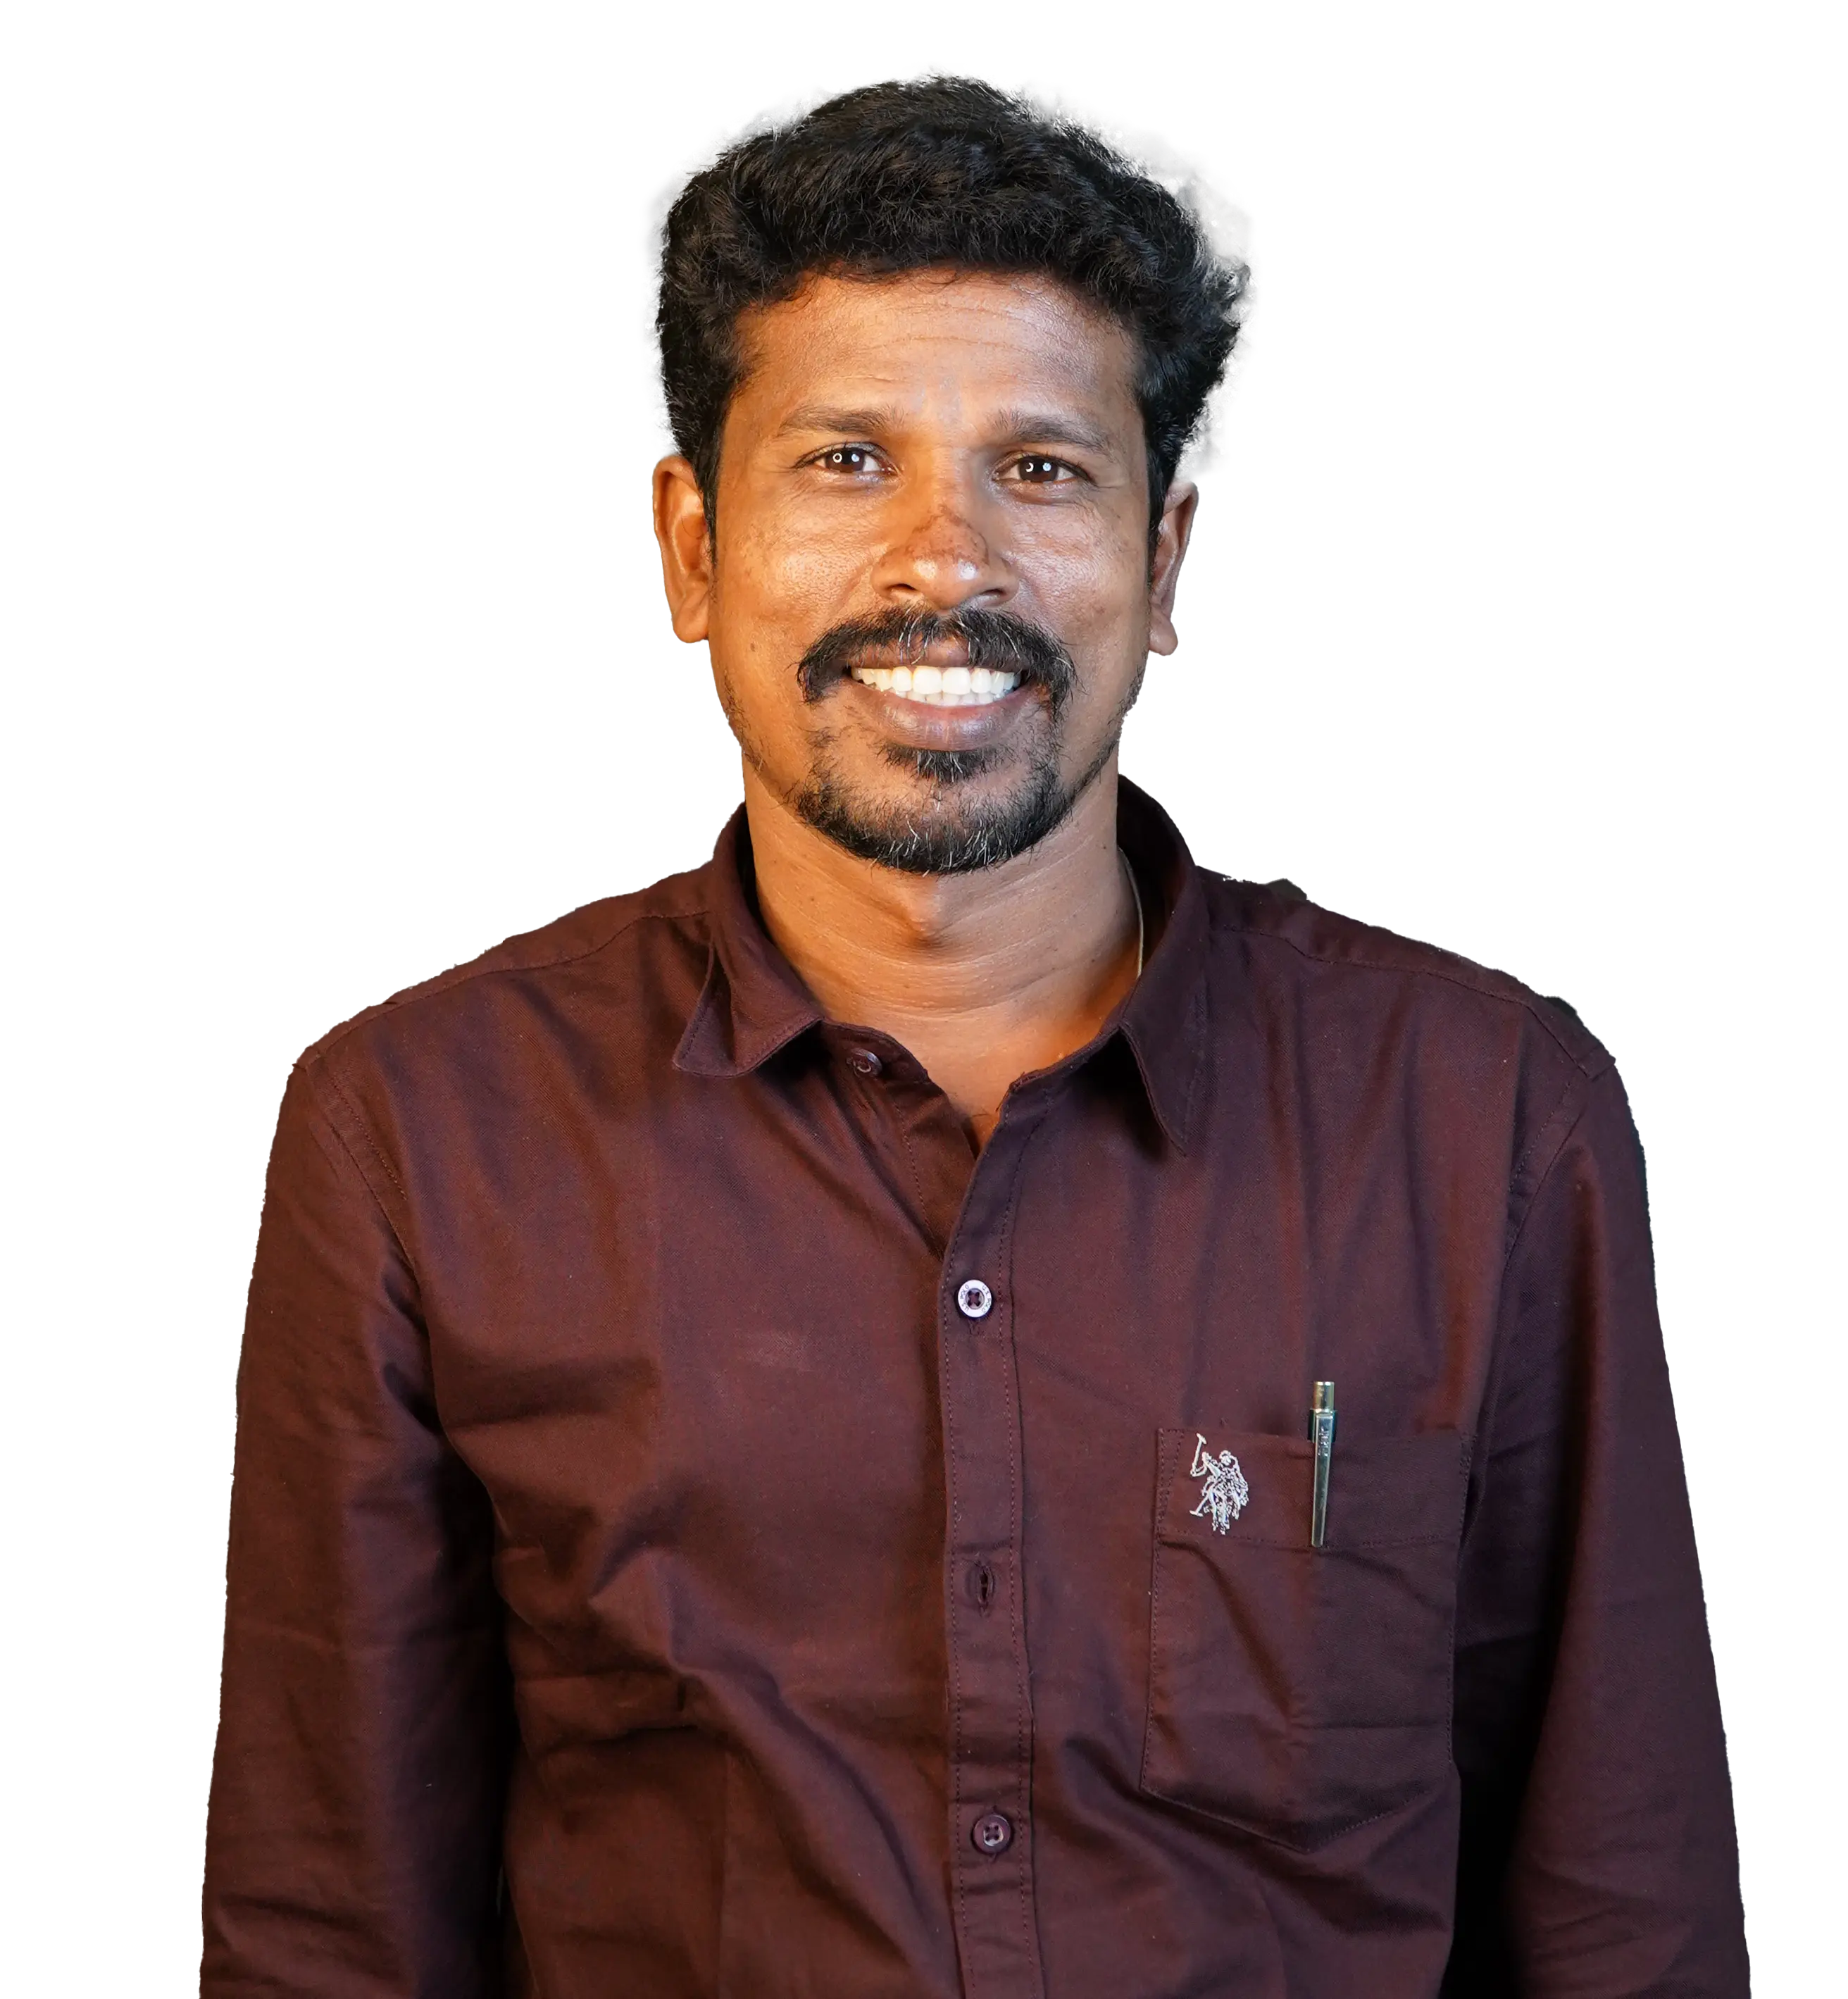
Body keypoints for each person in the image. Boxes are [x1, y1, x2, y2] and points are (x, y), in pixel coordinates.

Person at [199, 72, 1750, 1998]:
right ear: (688, 547)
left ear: (1163, 561)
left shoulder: (1486, 1125)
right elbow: (328, 1938)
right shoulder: (422, 1139)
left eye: (1042, 469)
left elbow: (1626, 1924)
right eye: (848, 460)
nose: (946, 562)